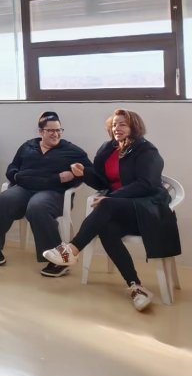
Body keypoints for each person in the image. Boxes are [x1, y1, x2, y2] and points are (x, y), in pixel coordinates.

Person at [43, 110, 181, 311]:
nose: (117, 128)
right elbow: (102, 182)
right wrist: (83, 174)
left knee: (106, 204)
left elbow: (146, 184)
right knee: (107, 230)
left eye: (123, 124)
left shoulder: (147, 151)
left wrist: (112, 198)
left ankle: (71, 249)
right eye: (114, 124)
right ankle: (136, 287)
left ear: (134, 127)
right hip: (120, 209)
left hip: (148, 209)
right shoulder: (108, 149)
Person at [0, 111, 92, 276]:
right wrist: (15, 176)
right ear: (41, 131)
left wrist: (73, 175)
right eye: (51, 131)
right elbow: (13, 166)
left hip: (53, 192)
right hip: (24, 188)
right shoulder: (28, 146)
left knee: (37, 207)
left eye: (58, 130)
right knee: (4, 200)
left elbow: (90, 171)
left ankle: (58, 260)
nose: (56, 134)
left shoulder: (71, 150)